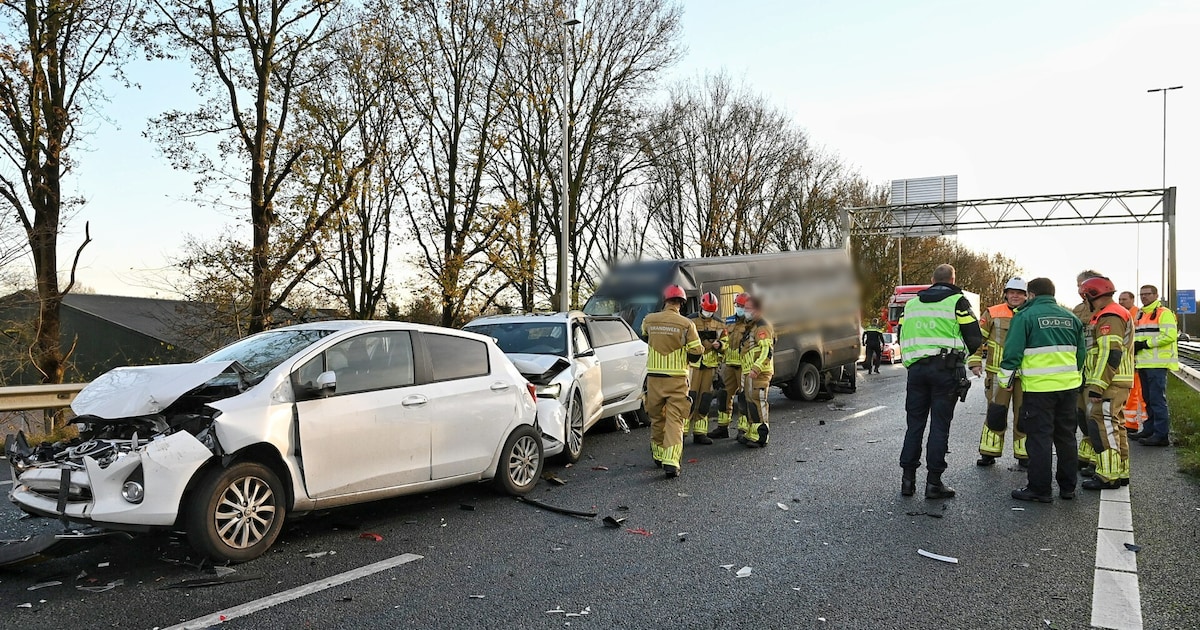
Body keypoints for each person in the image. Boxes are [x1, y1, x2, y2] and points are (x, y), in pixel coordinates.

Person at [897, 264, 983, 499]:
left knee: (914, 425)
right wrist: (961, 354)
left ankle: (907, 481)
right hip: (945, 370)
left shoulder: (912, 304)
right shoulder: (958, 301)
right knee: (939, 425)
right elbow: (974, 337)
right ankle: (934, 483)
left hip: (916, 371)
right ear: (953, 279)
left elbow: (900, 334)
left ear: (932, 279)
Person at [999, 277, 1087, 503]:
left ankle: (1040, 489)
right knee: (1066, 437)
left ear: (1032, 295)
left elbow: (1012, 353)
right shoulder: (1071, 318)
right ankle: (1068, 488)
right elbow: (1080, 355)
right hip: (1068, 388)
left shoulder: (1024, 316)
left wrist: (1004, 381)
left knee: (1039, 439)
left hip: (1038, 390)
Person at [641, 284, 703, 478]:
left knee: (657, 417)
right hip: (676, 380)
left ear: (664, 300)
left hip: (654, 379)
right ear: (681, 303)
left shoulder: (649, 320)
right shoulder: (686, 324)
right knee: (675, 420)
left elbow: (645, 337)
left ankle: (658, 455)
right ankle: (671, 461)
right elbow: (696, 350)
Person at [1078, 277, 1134, 490]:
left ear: (1091, 296)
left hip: (1109, 381)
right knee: (1116, 426)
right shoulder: (1115, 312)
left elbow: (1110, 352)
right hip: (1118, 380)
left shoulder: (1109, 315)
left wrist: (1097, 385)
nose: (1085, 303)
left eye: (1085, 298)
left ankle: (1107, 475)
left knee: (1103, 426)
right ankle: (1120, 470)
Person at [969, 277, 1029, 468]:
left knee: (1024, 415)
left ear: (1026, 296)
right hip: (998, 374)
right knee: (996, 413)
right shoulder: (993, 312)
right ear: (1006, 294)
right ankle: (989, 452)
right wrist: (975, 361)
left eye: (1019, 293)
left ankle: (1024, 455)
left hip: (1025, 375)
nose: (1015, 296)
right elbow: (977, 338)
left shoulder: (1031, 313)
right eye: (1012, 292)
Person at [1131, 285, 1179, 447]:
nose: (1144, 297)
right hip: (1143, 363)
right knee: (1148, 400)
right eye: (1142, 294)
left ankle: (1161, 435)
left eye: (1147, 294)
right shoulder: (1140, 313)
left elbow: (1170, 336)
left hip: (1157, 364)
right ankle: (1150, 429)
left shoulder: (1163, 313)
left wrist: (1145, 344)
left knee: (1157, 400)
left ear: (1156, 295)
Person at [1072, 270, 1104, 472]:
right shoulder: (1077, 309)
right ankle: (1085, 454)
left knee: (1096, 418)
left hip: (1097, 371)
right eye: (1078, 285)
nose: (1080, 289)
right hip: (1080, 370)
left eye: (1083, 284)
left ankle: (1097, 460)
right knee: (1081, 414)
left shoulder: (1104, 309)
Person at [708, 292, 751, 439]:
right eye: (737, 305)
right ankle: (722, 427)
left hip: (744, 365)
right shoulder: (730, 320)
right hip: (729, 365)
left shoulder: (752, 323)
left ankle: (743, 429)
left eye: (741, 306)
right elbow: (725, 340)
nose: (738, 308)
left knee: (744, 397)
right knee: (723, 394)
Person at [737, 295, 775, 448]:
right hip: (749, 373)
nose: (745, 311)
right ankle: (753, 434)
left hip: (759, 373)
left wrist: (756, 368)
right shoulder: (752, 326)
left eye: (748, 308)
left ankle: (761, 436)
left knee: (759, 403)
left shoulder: (761, 326)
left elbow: (767, 350)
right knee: (751, 403)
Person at [687, 292, 725, 445]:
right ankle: (681, 433)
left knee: (705, 400)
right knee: (690, 398)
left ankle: (700, 433)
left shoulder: (719, 323)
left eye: (712, 311)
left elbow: (726, 342)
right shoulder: (690, 320)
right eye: (707, 310)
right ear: (701, 307)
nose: (709, 314)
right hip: (693, 366)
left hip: (710, 367)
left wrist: (720, 345)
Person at [1118, 291, 1147, 432]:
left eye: (1124, 299)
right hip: (1129, 361)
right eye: (1119, 299)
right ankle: (1131, 424)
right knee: (1131, 395)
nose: (1121, 301)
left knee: (1139, 395)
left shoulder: (1138, 314)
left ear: (1132, 300)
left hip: (1137, 359)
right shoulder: (1122, 313)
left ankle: (1141, 425)